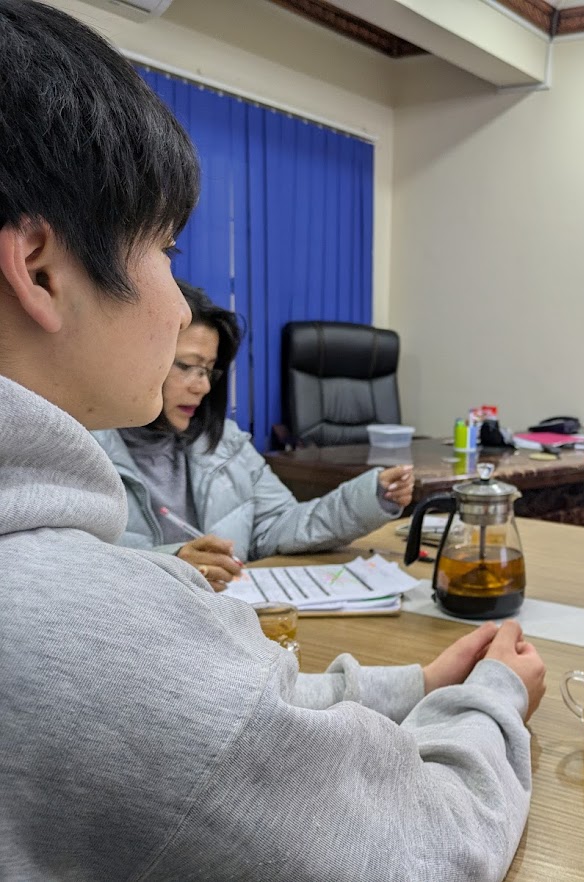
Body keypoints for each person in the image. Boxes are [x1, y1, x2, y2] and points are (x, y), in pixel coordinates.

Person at [0, 4, 545, 879]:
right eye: (167, 251)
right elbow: (425, 846)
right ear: (39, 269)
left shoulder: (215, 453)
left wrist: (418, 682)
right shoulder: (80, 622)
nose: (179, 308)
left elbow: (229, 704)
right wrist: (489, 702)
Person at [93, 281, 412, 591]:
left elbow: (280, 525)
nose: (202, 386)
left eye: (208, 370)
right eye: (187, 366)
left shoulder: (227, 445)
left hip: (231, 614)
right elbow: (76, 567)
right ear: (137, 356)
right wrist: (174, 562)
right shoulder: (85, 451)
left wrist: (370, 496)